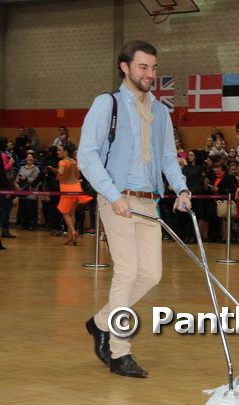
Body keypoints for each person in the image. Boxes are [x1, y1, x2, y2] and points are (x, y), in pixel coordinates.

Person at [77, 40, 191, 378]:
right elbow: (87, 155)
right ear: (125, 67)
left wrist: (182, 188)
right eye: (143, 67)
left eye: (153, 68)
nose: (149, 74)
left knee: (151, 274)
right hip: (118, 199)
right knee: (127, 272)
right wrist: (114, 196)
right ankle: (119, 352)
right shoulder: (107, 104)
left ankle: (101, 322)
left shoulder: (160, 111)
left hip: (148, 201)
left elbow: (168, 157)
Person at [52, 144, 93, 245]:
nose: (58, 152)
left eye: (59, 150)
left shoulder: (62, 162)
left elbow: (60, 173)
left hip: (66, 189)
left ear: (65, 151)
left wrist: (52, 169)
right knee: (72, 214)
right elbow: (78, 175)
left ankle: (73, 231)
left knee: (65, 214)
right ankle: (71, 238)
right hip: (76, 187)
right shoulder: (73, 161)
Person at [16, 150, 40, 231]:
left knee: (31, 208)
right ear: (26, 158)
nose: (29, 158)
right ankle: (24, 224)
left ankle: (32, 224)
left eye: (31, 157)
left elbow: (36, 180)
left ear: (34, 159)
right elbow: (17, 177)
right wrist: (18, 181)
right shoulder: (22, 167)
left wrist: (26, 178)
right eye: (28, 157)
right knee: (23, 208)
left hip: (31, 191)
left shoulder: (36, 169)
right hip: (22, 190)